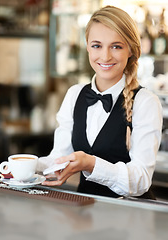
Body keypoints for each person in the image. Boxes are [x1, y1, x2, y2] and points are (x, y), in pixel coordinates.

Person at [37, 5, 163, 199]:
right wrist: (28, 166)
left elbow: (140, 180)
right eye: (97, 45)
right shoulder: (75, 94)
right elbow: (58, 159)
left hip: (132, 217)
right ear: (87, 46)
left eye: (116, 46)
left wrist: (91, 164)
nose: (105, 56)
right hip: (86, 212)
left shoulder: (145, 102)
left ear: (130, 49)